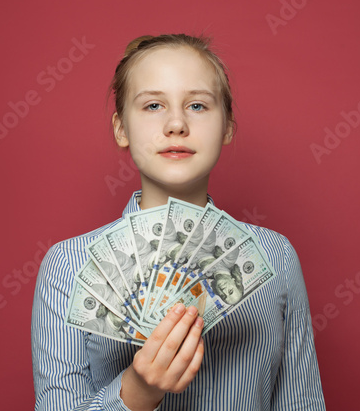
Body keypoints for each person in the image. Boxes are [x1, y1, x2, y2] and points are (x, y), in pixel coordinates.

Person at [31, 33, 326, 410]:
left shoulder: (276, 257)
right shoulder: (68, 266)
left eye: (198, 106)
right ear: (121, 128)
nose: (176, 124)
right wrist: (137, 391)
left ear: (228, 126)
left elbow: (301, 403)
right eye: (153, 105)